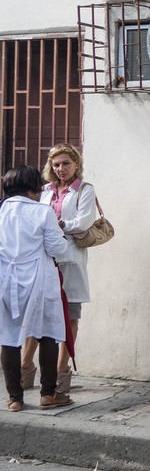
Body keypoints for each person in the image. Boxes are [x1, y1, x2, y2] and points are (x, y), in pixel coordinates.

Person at [21, 144, 97, 395]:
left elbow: (83, 222)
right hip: (43, 259)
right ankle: (25, 366)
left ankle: (61, 369)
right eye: (56, 164)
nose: (61, 169)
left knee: (71, 316)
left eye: (66, 163)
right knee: (37, 313)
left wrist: (54, 224)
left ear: (76, 164)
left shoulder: (84, 190)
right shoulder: (43, 190)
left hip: (70, 259)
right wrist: (52, 225)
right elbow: (34, 220)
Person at [0, 165, 72, 410]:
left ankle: (15, 398)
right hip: (40, 281)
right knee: (48, 334)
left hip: (7, 282)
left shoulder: (0, 210)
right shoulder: (43, 212)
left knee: (9, 338)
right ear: (34, 187)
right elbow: (57, 249)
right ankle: (48, 394)